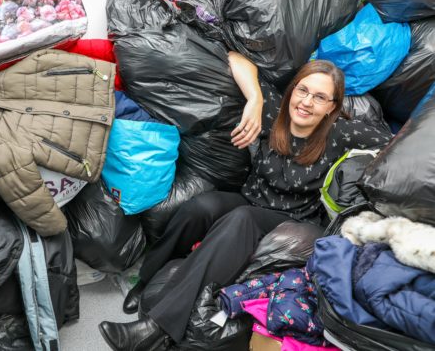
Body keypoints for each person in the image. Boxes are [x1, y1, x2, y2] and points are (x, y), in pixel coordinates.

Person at [98, 53, 392, 351]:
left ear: (332, 107)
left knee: (243, 218)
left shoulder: (342, 133)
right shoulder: (272, 109)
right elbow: (236, 59)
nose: (306, 102)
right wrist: (254, 98)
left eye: (319, 97)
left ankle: (156, 328)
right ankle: (145, 282)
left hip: (294, 220)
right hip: (250, 197)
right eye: (302, 90)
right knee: (199, 208)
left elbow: (394, 145)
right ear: (292, 90)